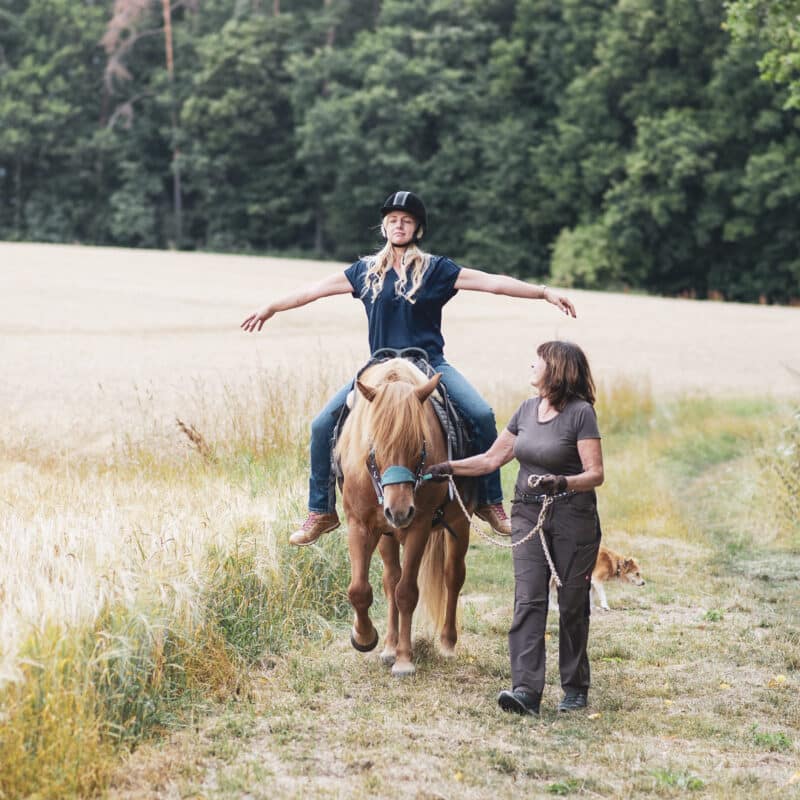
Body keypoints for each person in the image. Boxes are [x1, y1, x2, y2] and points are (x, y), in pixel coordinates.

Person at [241, 191, 577, 546]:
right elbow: (313, 290)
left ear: (417, 229)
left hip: (428, 362)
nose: (398, 225)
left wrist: (543, 292)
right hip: (380, 366)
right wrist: (271, 308)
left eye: (406, 221)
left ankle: (490, 502)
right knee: (322, 423)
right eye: (392, 220)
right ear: (384, 226)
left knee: (481, 413)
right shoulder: (364, 271)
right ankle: (321, 510)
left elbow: (491, 282)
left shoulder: (437, 270)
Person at [427, 340, 604, 715]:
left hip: (572, 516)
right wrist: (448, 467)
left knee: (572, 604)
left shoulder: (580, 413)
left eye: (536, 363)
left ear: (555, 370)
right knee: (528, 601)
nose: (531, 367)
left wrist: (563, 482)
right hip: (527, 514)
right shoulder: (525, 411)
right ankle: (525, 690)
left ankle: (574, 688)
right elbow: (492, 458)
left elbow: (595, 474)